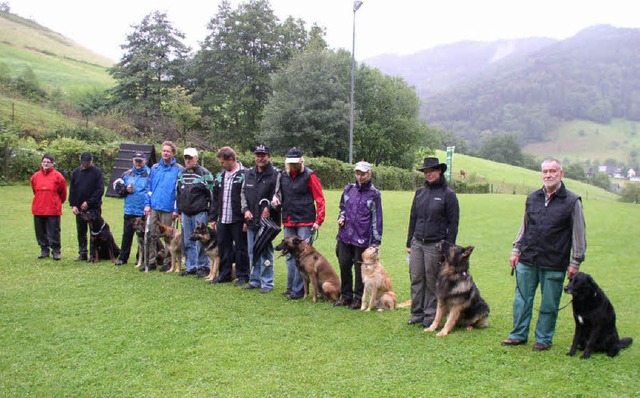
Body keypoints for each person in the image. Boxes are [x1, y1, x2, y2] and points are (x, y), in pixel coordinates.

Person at [502, 158, 586, 351]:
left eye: (553, 171)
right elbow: (524, 226)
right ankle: (518, 335)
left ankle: (543, 339)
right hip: (528, 258)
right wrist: (516, 250)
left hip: (554, 261)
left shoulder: (572, 201)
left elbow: (579, 235)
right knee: (521, 300)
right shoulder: (532, 198)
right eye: (545, 171)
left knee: (549, 303)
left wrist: (575, 262)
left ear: (561, 174)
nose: (548, 175)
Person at [406, 157, 459, 327]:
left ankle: (430, 316)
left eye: (432, 171)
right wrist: (409, 241)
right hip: (417, 242)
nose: (429, 174)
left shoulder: (448, 195)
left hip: (435, 244)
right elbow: (413, 217)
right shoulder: (420, 193)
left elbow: (453, 224)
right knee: (416, 278)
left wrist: (447, 248)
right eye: (426, 172)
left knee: (431, 280)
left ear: (440, 171)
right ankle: (416, 313)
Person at [272, 147, 326, 300]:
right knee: (289, 255)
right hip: (289, 219)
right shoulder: (282, 176)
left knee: (304, 256)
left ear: (301, 161)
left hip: (305, 220)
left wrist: (318, 220)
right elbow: (279, 194)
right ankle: (291, 288)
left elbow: (320, 199)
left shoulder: (310, 175)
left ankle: (298, 291)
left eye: (296, 163)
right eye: (290, 163)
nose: (293, 166)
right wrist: (276, 200)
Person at [334, 161, 383, 309]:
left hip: (362, 236)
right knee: (344, 264)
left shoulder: (374, 195)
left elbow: (377, 218)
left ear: (369, 174)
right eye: (358, 173)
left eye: (363, 174)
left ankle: (358, 298)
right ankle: (346, 296)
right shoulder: (348, 189)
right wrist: (341, 217)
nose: (360, 177)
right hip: (345, 234)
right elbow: (343, 207)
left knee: (359, 267)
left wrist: (376, 241)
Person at [241, 144, 280, 293]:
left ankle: (267, 282)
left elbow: (278, 195)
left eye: (263, 155)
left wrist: (269, 208)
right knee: (252, 250)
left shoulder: (276, 174)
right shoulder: (249, 173)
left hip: (268, 221)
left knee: (265, 251)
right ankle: (255, 280)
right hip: (251, 219)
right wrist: (245, 210)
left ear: (269, 157)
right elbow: (243, 194)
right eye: (258, 155)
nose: (260, 158)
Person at [210, 146, 250, 286]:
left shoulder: (245, 174)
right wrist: (214, 217)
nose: (221, 165)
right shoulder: (220, 176)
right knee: (224, 247)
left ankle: (243, 275)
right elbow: (215, 197)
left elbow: (249, 197)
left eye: (223, 162)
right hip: (223, 218)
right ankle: (224, 274)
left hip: (238, 219)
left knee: (241, 248)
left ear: (231, 159)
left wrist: (246, 218)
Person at [177, 147, 214, 278]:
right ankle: (191, 266)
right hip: (186, 212)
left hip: (200, 211)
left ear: (196, 159)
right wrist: (179, 211)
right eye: (186, 158)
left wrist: (211, 213)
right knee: (188, 241)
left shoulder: (205, 173)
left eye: (190, 158)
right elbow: (178, 193)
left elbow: (212, 194)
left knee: (201, 240)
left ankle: (203, 266)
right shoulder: (181, 173)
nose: (188, 160)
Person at [145, 141, 182, 271]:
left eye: (168, 151)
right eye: (164, 150)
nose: (165, 153)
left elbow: (179, 191)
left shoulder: (178, 169)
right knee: (152, 234)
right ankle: (151, 261)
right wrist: (147, 204)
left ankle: (167, 262)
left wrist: (176, 209)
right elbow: (149, 187)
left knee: (168, 237)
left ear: (173, 153)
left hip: (168, 207)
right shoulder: (155, 168)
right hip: (155, 206)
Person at [113, 151, 150, 266]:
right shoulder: (126, 174)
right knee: (127, 235)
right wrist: (125, 190)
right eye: (136, 161)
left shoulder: (150, 174)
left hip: (143, 210)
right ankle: (123, 258)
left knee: (143, 236)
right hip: (129, 209)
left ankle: (141, 258)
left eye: (140, 161)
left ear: (145, 161)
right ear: (132, 161)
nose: (138, 163)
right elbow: (119, 192)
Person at [69, 151, 105, 262]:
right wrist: (73, 204)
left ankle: (94, 255)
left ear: (91, 160)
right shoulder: (76, 172)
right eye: (83, 162)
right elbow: (72, 190)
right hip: (79, 208)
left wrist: (89, 202)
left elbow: (100, 190)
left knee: (94, 231)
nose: (84, 164)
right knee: (81, 231)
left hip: (93, 208)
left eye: (87, 162)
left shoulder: (97, 172)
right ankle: (82, 253)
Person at [30, 154, 67, 261]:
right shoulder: (35, 176)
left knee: (54, 231)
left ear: (52, 163)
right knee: (40, 231)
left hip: (53, 209)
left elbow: (63, 193)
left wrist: (57, 202)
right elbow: (34, 190)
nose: (45, 164)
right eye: (44, 162)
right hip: (39, 208)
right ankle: (44, 250)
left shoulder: (58, 176)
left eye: (48, 162)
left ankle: (56, 251)